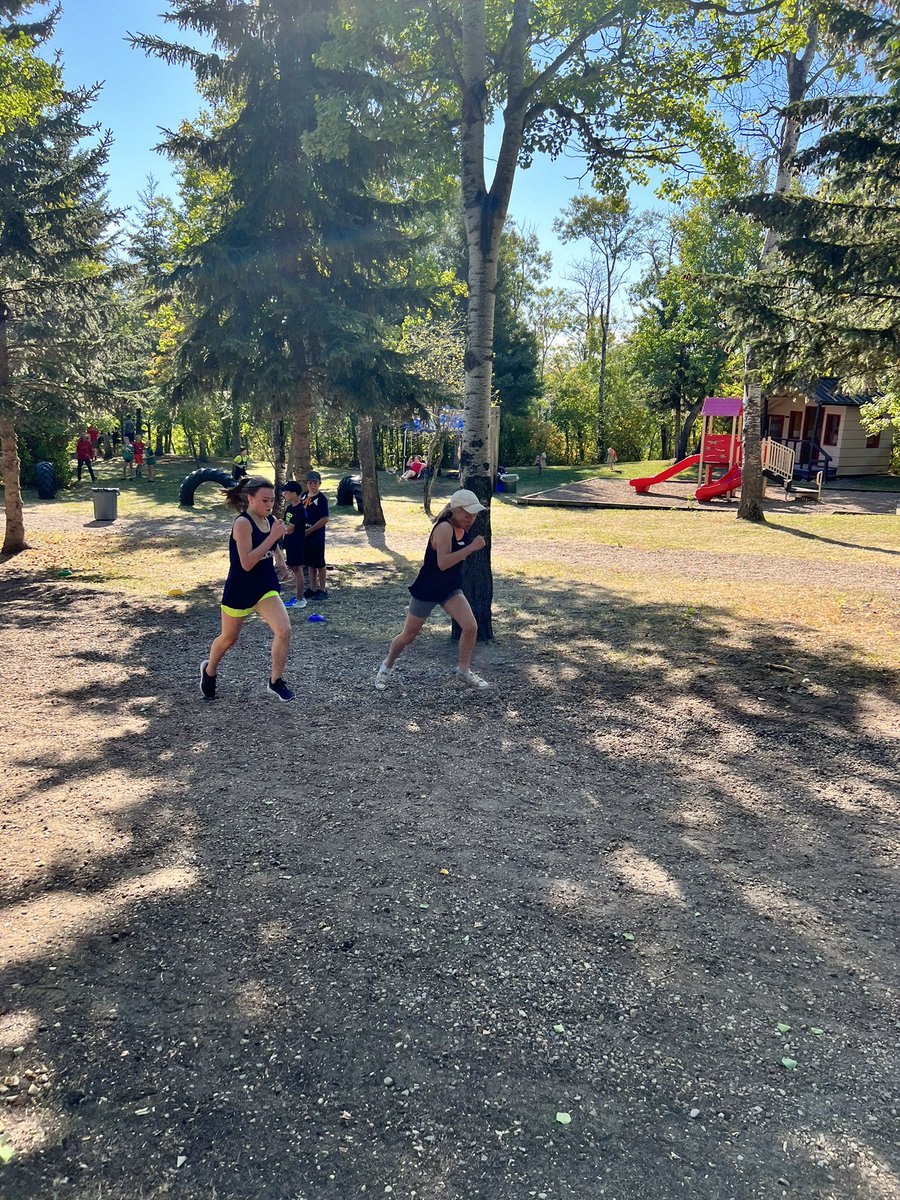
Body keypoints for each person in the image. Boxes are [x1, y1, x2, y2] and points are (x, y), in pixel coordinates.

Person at [375, 489, 490, 691]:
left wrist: (468, 547)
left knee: (471, 627)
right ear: (455, 510)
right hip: (428, 589)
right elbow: (443, 563)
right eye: (467, 514)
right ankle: (387, 666)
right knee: (408, 636)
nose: (471, 518)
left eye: (474, 514)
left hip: (450, 588)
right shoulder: (444, 528)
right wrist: (471, 548)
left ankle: (463, 670)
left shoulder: (463, 528)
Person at [200, 476, 295, 703]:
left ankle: (275, 681)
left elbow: (273, 544)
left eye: (272, 500)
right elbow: (247, 563)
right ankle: (209, 670)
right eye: (264, 500)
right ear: (250, 498)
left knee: (284, 631)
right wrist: (273, 537)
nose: (269, 505)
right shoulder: (242, 524)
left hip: (265, 586)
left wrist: (280, 561)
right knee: (229, 638)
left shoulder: (269, 519)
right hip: (240, 588)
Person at [280, 480, 308, 608]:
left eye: (286, 492)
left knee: (298, 570)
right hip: (289, 542)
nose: (283, 494)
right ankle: (297, 596)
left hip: (297, 543)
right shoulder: (289, 508)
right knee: (294, 569)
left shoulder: (299, 510)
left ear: (295, 493)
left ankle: (300, 599)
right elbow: (285, 524)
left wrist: (278, 530)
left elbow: (290, 528)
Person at [302, 470, 329, 600]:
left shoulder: (321, 499)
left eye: (315, 483)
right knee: (310, 563)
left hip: (316, 534)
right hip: (304, 534)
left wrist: (310, 530)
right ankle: (312, 588)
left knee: (319, 562)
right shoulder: (303, 496)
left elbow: (324, 518)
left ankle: (322, 589)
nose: (312, 486)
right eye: (310, 483)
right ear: (306, 483)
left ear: (319, 484)